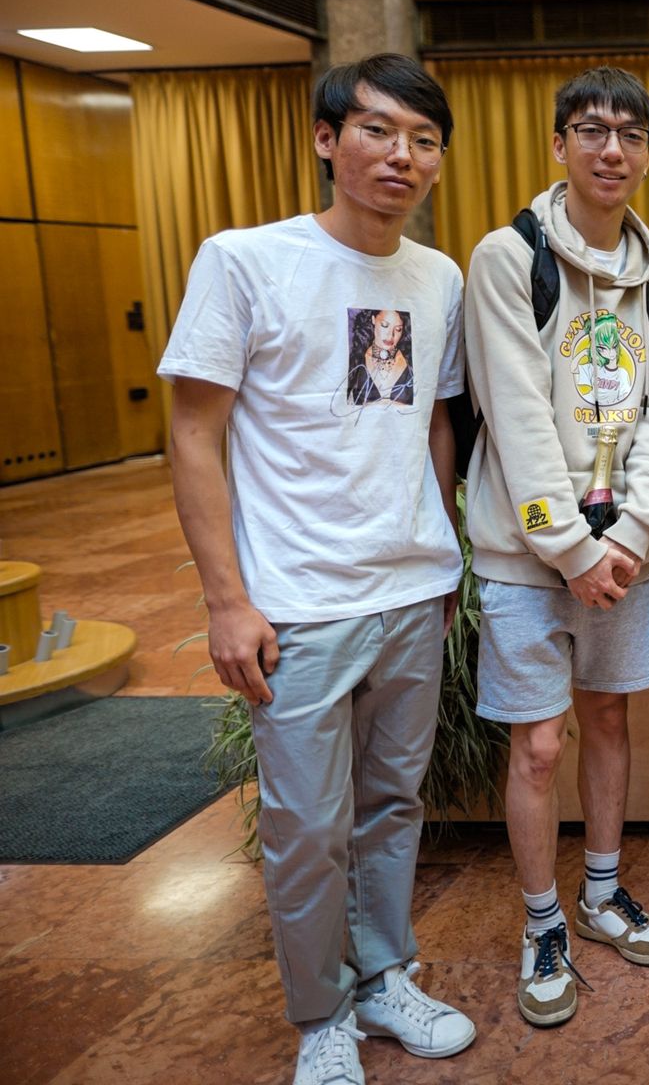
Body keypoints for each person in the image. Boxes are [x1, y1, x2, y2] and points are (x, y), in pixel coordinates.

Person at [161, 54, 475, 1085]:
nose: (402, 156)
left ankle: (383, 976)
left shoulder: (437, 277)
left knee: (392, 806)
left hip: (410, 593)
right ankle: (321, 1015)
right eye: (378, 131)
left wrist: (440, 555)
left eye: (424, 140)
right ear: (326, 139)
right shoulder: (246, 261)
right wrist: (226, 599)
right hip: (297, 603)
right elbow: (193, 431)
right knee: (305, 828)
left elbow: (433, 422)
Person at [464, 66, 649, 1027]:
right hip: (529, 554)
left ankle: (600, 893)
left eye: (631, 135)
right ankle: (542, 920)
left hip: (622, 555)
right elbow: (514, 414)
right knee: (539, 745)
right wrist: (573, 549)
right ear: (559, 144)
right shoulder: (507, 258)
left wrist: (632, 535)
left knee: (606, 721)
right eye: (592, 130)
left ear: (648, 155)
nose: (611, 149)